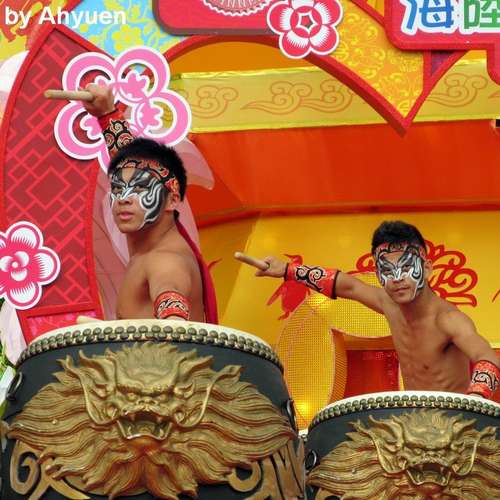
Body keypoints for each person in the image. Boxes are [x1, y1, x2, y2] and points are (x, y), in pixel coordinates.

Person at [235, 220, 499, 399]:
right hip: (413, 419)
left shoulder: (448, 319)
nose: (397, 278)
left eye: (407, 268)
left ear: (427, 268)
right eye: (387, 270)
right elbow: (347, 285)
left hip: (455, 425)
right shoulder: (389, 304)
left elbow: (488, 358)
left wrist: (475, 400)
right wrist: (287, 270)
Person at [82, 84, 217, 323]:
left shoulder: (165, 261)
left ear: (172, 199)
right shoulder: (151, 246)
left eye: (140, 189)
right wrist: (107, 115)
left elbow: (173, 314)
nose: (124, 198)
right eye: (117, 189)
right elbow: (131, 167)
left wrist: (172, 319)